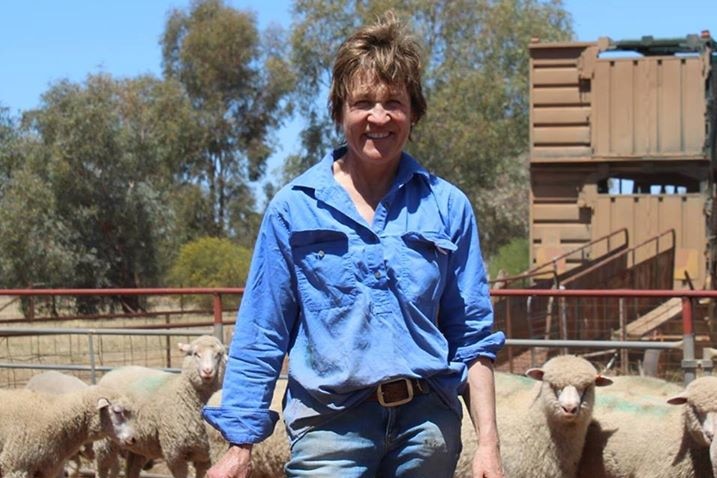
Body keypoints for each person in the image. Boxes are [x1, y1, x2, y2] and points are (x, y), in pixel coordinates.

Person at [204, 11, 505, 478]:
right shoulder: (294, 209)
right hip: (330, 428)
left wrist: (488, 443)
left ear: (414, 111)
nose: (379, 117)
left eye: (394, 102)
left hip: (427, 429)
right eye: (363, 102)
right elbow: (262, 330)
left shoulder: (447, 206)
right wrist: (240, 444)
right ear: (340, 111)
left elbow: (472, 336)